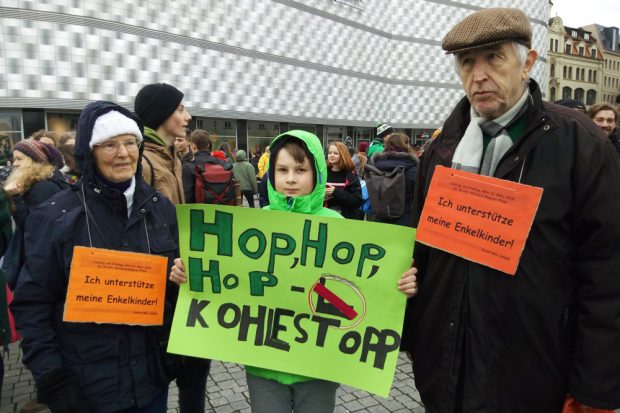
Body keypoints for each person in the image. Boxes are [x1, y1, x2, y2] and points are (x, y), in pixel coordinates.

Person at [401, 8, 620, 412]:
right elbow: (421, 252)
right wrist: (414, 332)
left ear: (528, 63)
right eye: (467, 62)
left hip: (531, 377)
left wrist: (593, 388)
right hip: (447, 371)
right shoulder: (442, 149)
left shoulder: (579, 144)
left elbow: (606, 272)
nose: (478, 74)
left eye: (494, 58)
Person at [169, 130, 418, 412]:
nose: (290, 179)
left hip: (318, 367)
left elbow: (364, 286)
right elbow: (225, 276)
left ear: (317, 173)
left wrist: (398, 283)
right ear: (271, 173)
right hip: (264, 365)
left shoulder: (336, 223)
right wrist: (188, 273)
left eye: (300, 170)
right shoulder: (255, 224)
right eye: (282, 169)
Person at [11, 101, 180, 412]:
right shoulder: (56, 216)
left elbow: (172, 292)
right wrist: (52, 377)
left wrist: (180, 278)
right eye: (109, 145)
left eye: (130, 143)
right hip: (86, 388)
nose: (123, 153)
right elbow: (32, 303)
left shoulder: (160, 208)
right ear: (89, 153)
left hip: (150, 383)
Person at [134, 83, 189, 205]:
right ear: (161, 113)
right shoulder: (141, 163)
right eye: (180, 109)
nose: (188, 116)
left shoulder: (175, 159)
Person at [369, 132, 418, 226]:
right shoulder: (412, 168)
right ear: (406, 145)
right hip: (404, 219)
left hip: (379, 216)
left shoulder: (376, 165)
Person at [182, 129, 228, 204]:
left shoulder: (188, 166)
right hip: (222, 210)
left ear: (193, 146)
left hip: (199, 211)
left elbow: (188, 195)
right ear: (208, 145)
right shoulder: (223, 164)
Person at [325, 141, 362, 219]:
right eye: (330, 153)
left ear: (343, 155)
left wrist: (336, 192)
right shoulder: (323, 173)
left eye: (335, 153)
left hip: (345, 219)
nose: (331, 155)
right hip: (325, 217)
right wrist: (321, 197)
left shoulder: (351, 175)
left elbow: (357, 201)